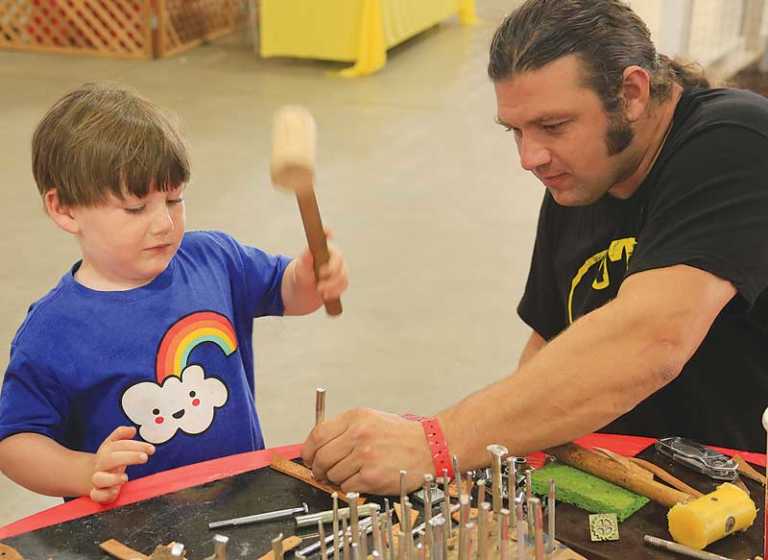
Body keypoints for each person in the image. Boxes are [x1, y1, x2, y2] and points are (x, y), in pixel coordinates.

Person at [302, 0, 768, 494]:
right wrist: (493, 461)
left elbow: (652, 339)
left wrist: (433, 444)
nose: (530, 157)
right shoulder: (582, 177)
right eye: (516, 131)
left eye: (553, 126)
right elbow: (551, 344)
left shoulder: (735, 139)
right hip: (606, 473)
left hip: (721, 487)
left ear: (631, 93)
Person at [0, 82, 349, 504]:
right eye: (135, 208)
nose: (164, 223)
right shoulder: (53, 330)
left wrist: (311, 278)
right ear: (65, 209)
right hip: (126, 529)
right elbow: (16, 442)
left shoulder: (214, 258)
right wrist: (83, 471)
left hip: (241, 503)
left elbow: (287, 290)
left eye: (174, 199)